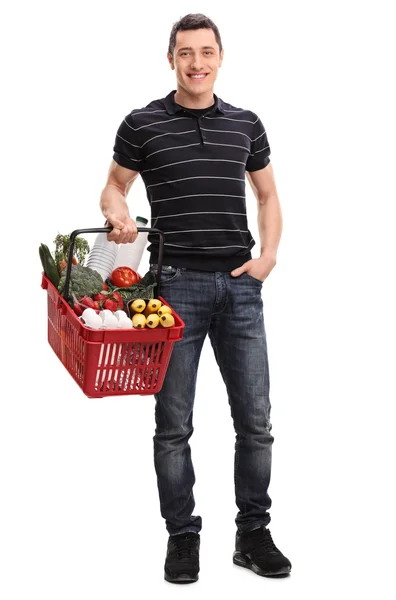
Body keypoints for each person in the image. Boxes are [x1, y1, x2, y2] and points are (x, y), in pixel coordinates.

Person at [100, 13, 291, 584]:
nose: (197, 63)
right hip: (173, 287)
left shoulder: (246, 124)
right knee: (173, 424)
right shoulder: (142, 124)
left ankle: (253, 534)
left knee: (255, 422)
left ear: (221, 57)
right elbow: (114, 185)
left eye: (206, 52)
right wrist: (115, 214)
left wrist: (269, 257)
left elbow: (268, 193)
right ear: (171, 60)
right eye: (186, 53)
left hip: (240, 286)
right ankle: (182, 538)